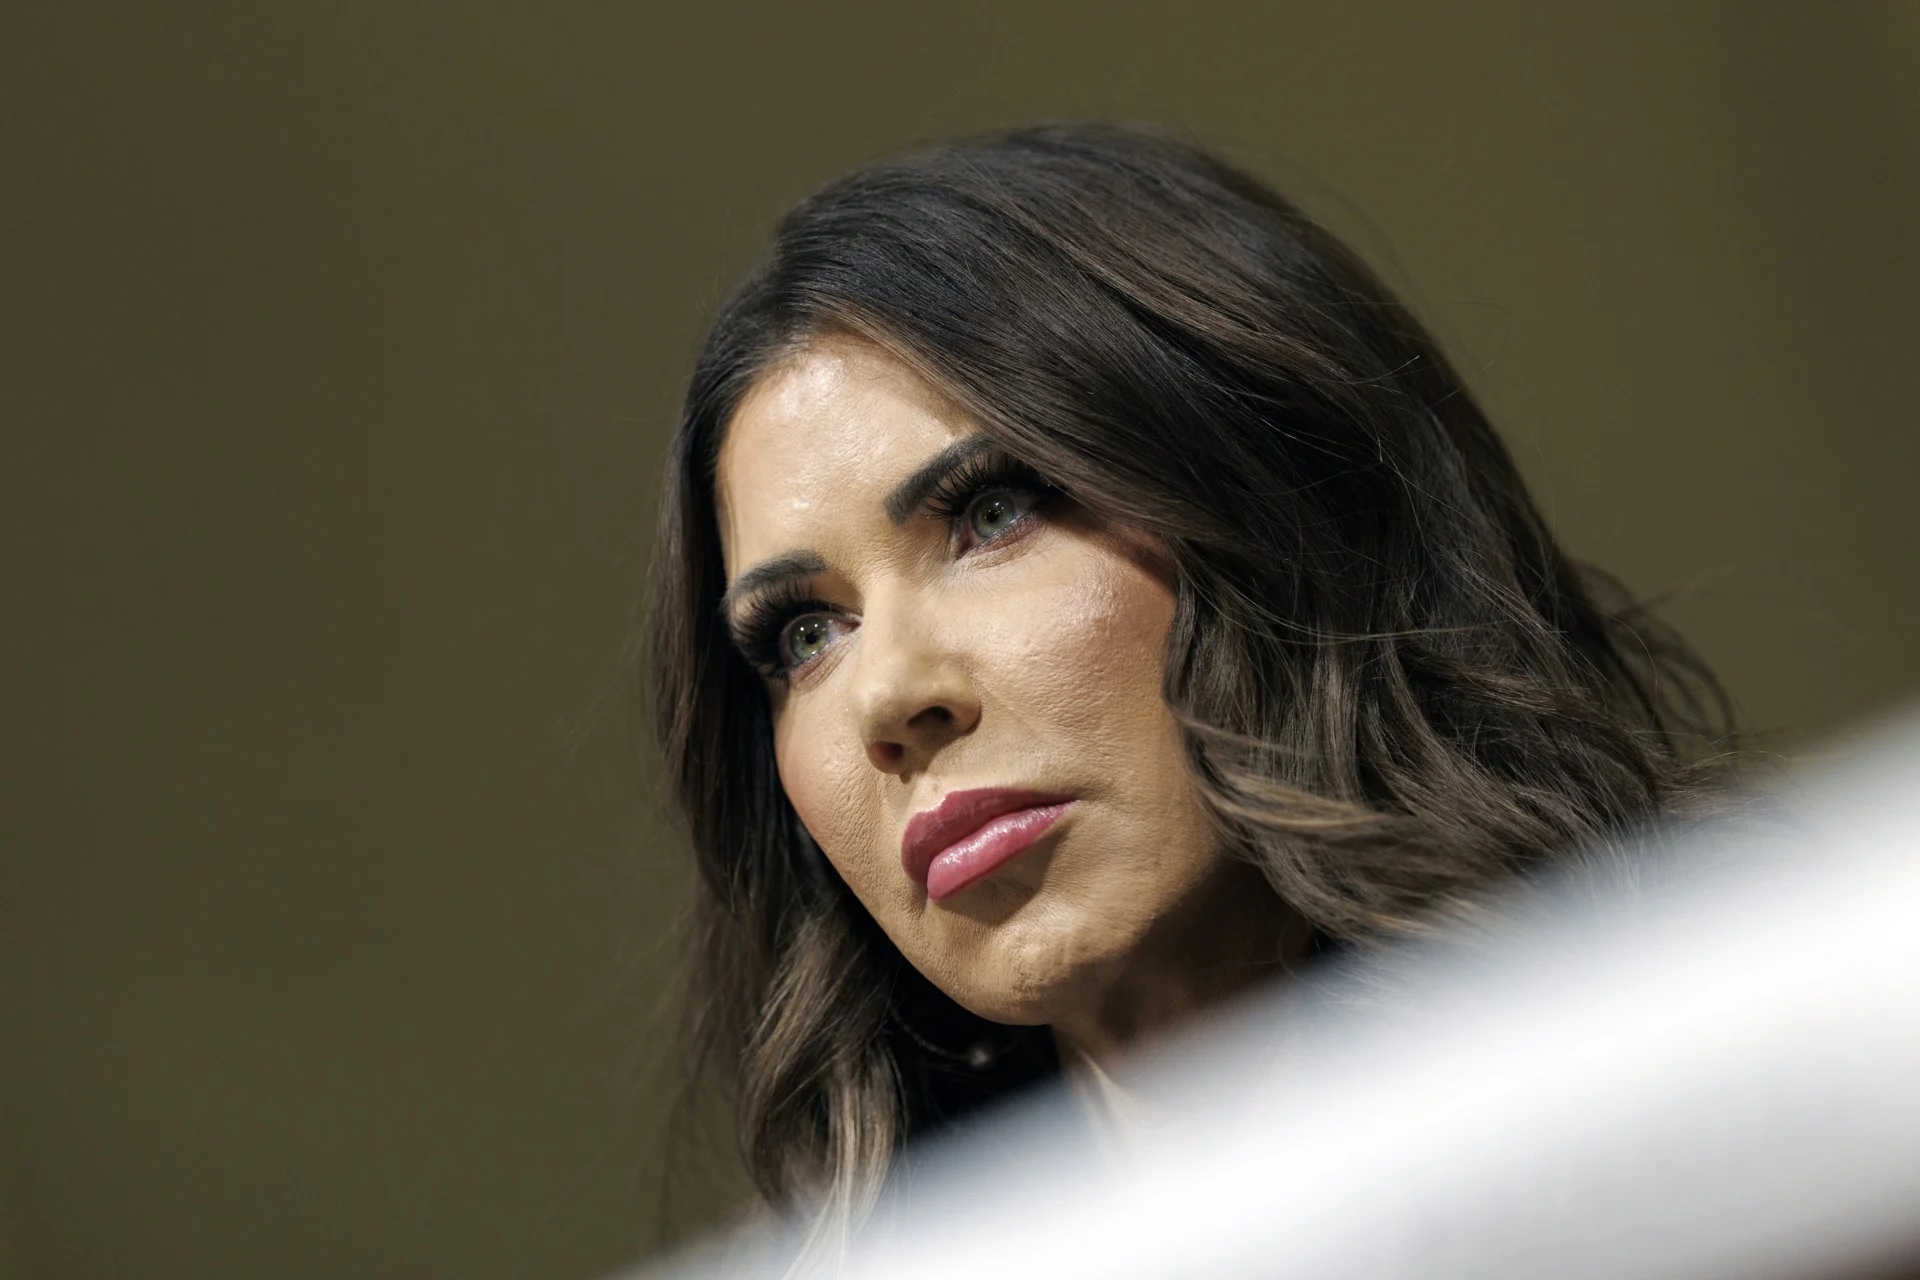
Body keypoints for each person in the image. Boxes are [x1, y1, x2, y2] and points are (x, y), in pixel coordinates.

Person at [645, 122, 1734, 1257]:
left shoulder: (1753, 1071)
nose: (887, 697)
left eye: (992, 515)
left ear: (1273, 511)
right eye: (805, 635)